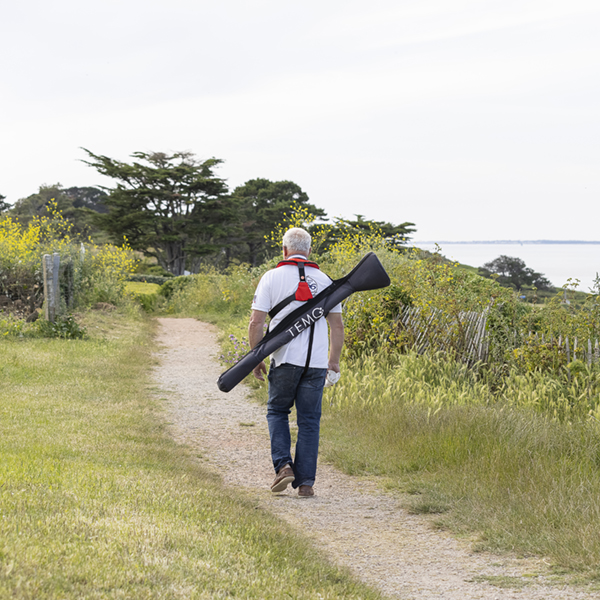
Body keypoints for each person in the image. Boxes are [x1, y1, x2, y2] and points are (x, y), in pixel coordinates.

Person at [248, 227, 344, 497]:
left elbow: (256, 322)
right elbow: (337, 326)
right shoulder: (326, 280)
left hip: (284, 360)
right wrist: (333, 361)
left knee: (278, 411)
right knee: (310, 420)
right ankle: (306, 484)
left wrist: (256, 358)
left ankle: (283, 467)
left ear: (284, 250)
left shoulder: (271, 277)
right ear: (310, 251)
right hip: (315, 364)